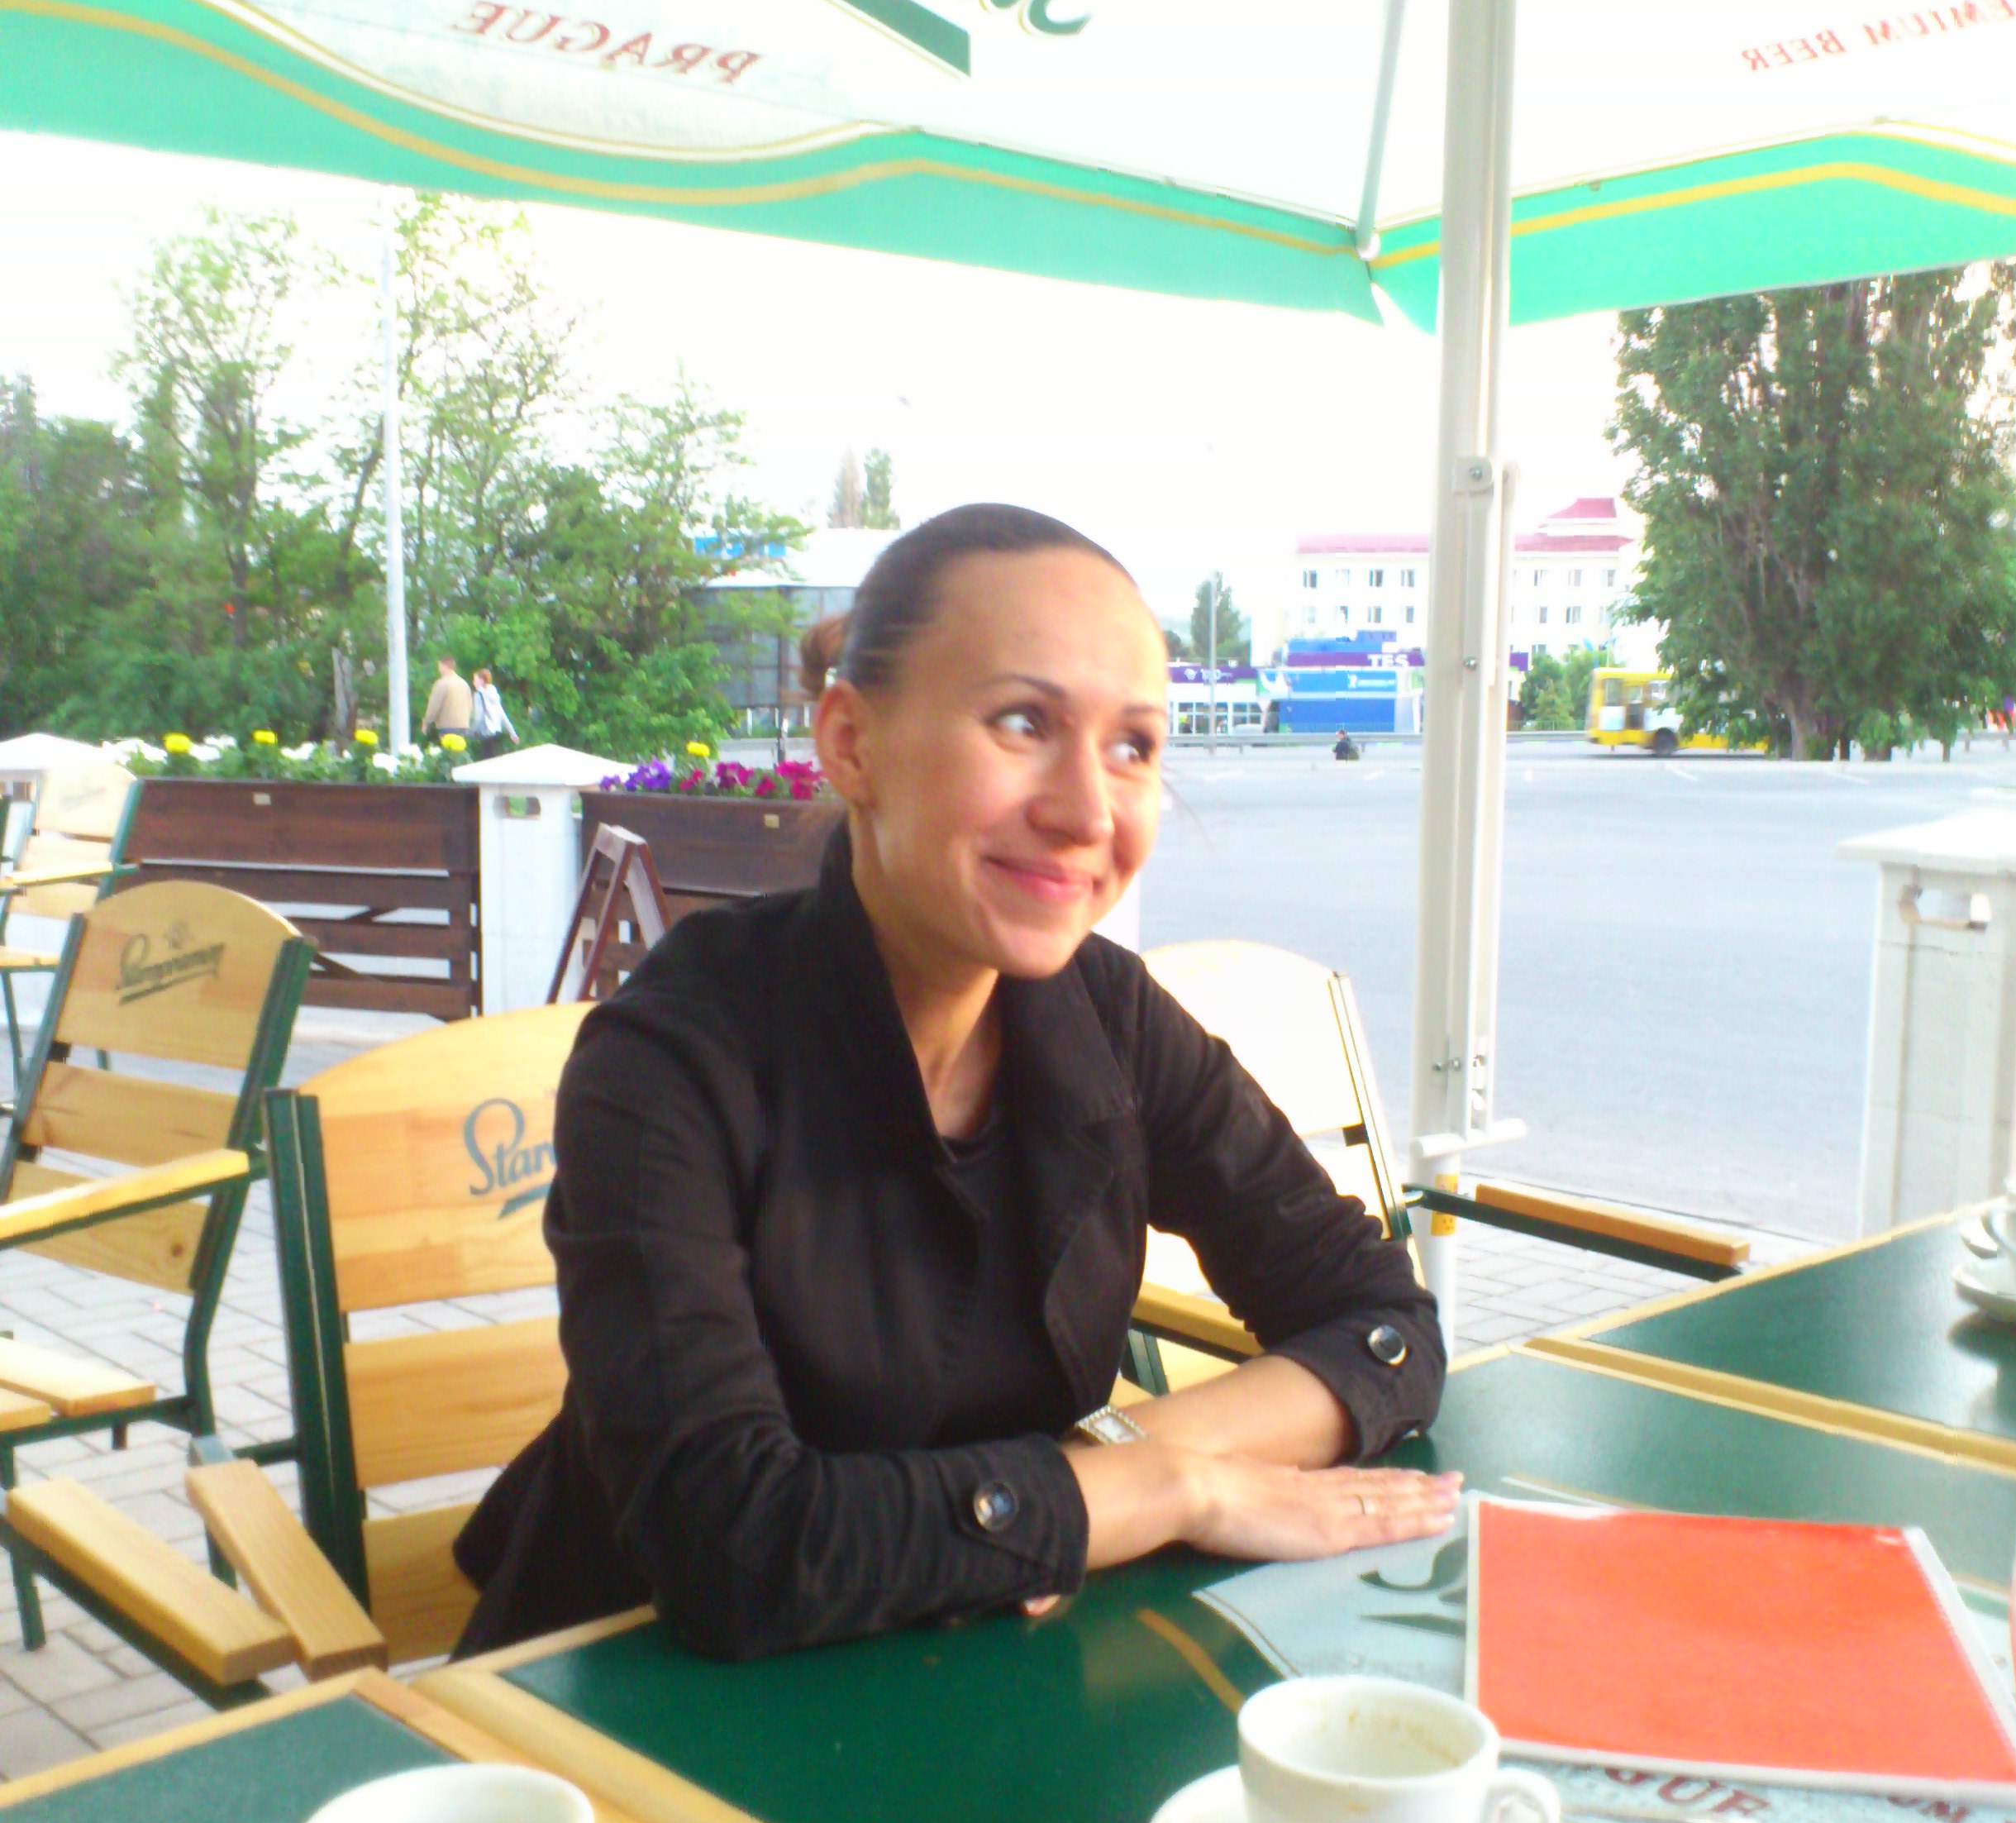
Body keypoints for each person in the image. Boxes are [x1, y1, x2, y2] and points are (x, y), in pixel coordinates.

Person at [454, 504, 1452, 1662]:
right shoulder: (672, 1057)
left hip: (981, 1661)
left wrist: (1114, 1463)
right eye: (1023, 722)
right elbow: (730, 1542)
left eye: (1133, 747)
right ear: (850, 744)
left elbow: (1383, 1324)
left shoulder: (1110, 1019)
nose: (1088, 812)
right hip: (630, 1694)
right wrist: (1162, 1489)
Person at [421, 655, 474, 742]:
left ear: (443, 666)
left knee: (448, 749)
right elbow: (470, 706)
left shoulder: (442, 683)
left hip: (447, 726)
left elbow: (434, 705)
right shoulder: (464, 684)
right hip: (463, 725)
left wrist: (427, 722)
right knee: (459, 749)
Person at [469, 666, 518, 761]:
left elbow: (479, 716)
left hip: (486, 731)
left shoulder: (478, 695)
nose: (473, 682)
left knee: (485, 761)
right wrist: (512, 732)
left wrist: (472, 731)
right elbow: (502, 714)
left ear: (481, 681)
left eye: (475, 679)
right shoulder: (494, 693)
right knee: (494, 760)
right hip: (496, 732)